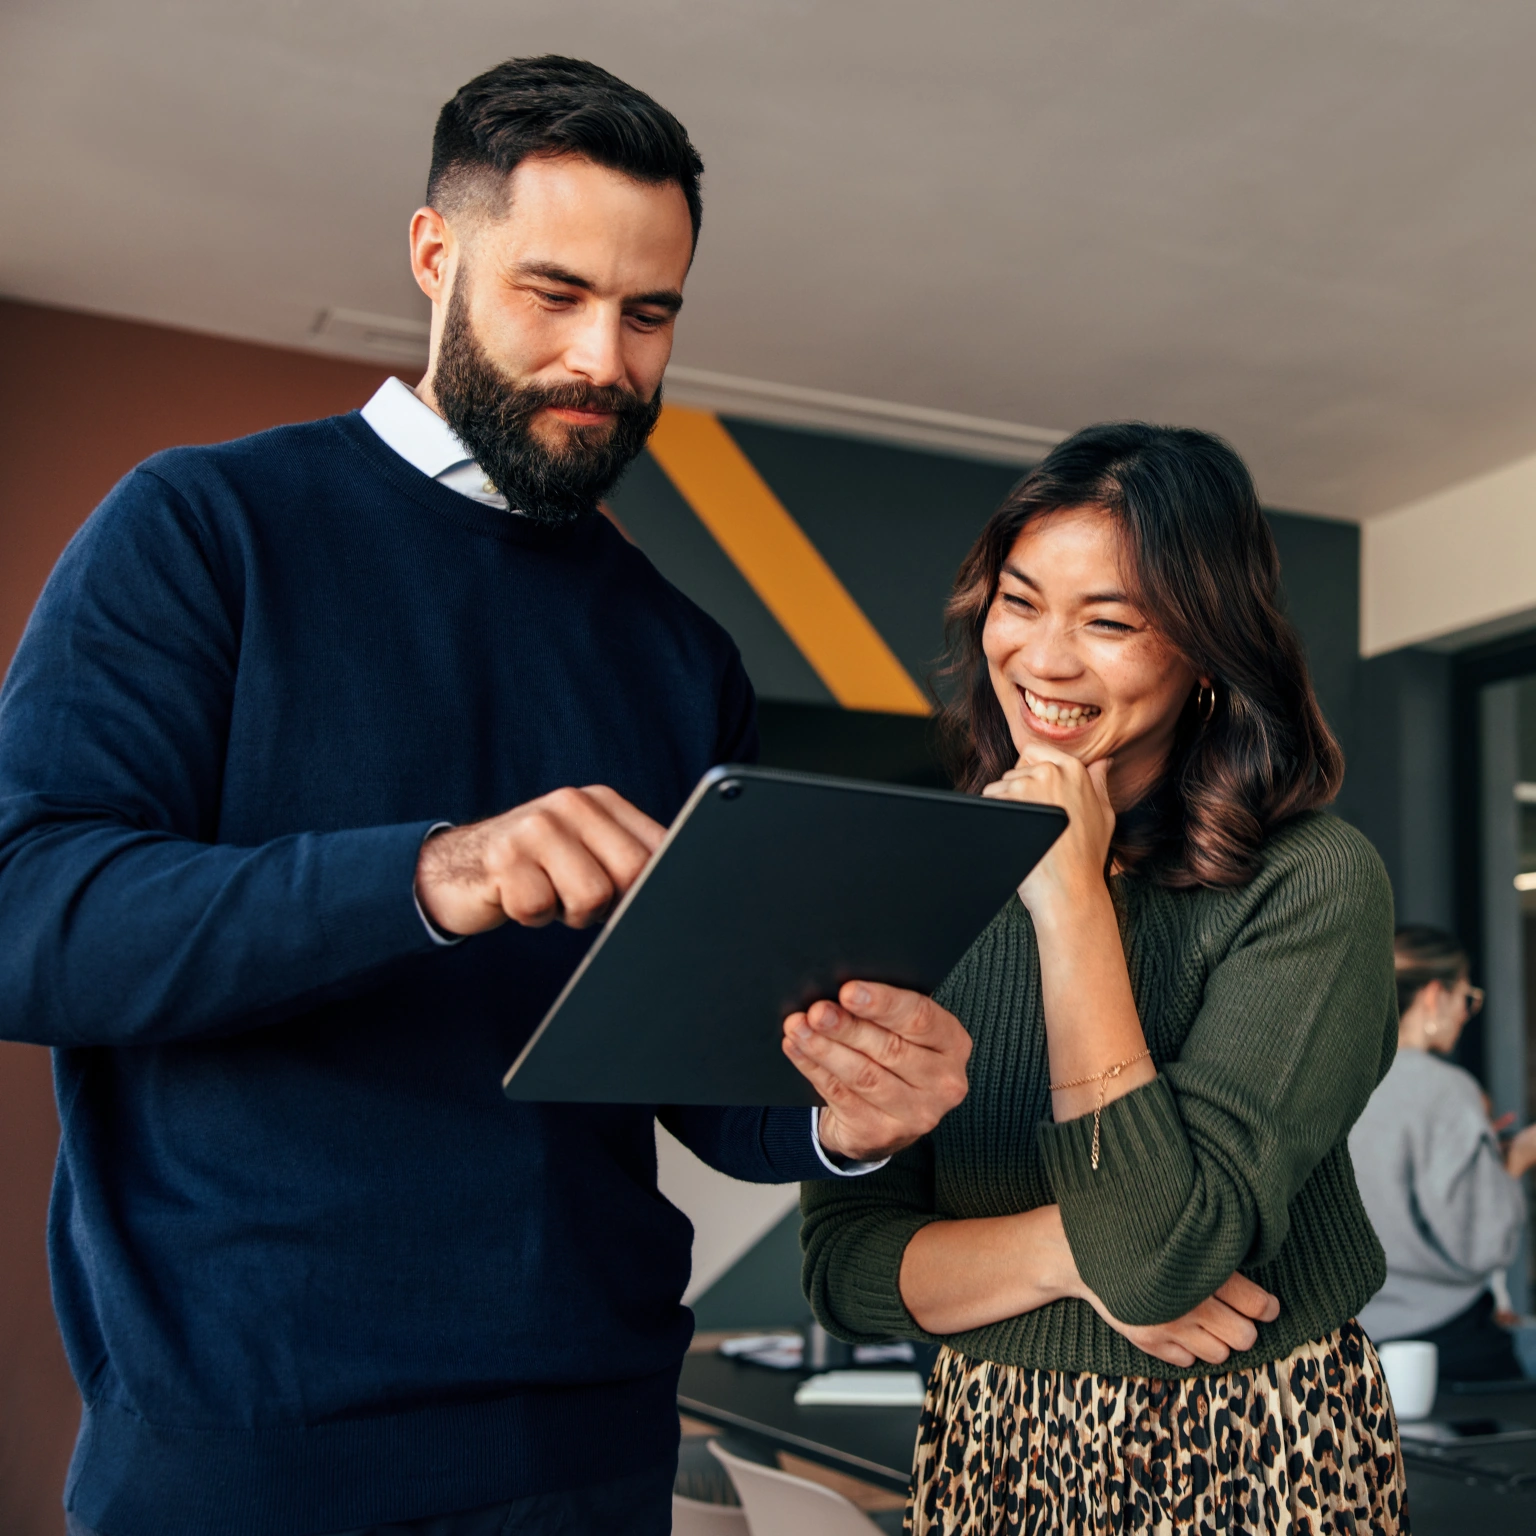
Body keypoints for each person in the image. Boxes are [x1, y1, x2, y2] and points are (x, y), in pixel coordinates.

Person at [0, 57, 970, 1536]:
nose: (604, 357)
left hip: (587, 1452)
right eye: (554, 294)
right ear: (434, 256)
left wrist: (849, 1108)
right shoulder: (203, 528)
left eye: (650, 316)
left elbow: (696, 1076)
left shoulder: (677, 649)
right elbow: (28, 921)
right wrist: (432, 874)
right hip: (249, 1453)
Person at [798, 423, 1408, 1532]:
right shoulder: (910, 882)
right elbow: (845, 1267)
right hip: (989, 1450)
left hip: (1257, 1450)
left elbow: (1159, 1260)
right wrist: (1061, 1255)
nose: (1044, 658)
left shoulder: (1311, 885)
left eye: (1111, 622)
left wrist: (1069, 895)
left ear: (1209, 652)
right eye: (1020, 601)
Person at [1349, 925, 1536, 1382]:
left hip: (1351, 1346)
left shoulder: (1337, 1081)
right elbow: (1482, 1244)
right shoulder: (1445, 1090)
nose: (1465, 1013)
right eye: (1466, 996)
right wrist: (1514, 1163)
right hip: (1447, 1346)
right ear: (1434, 995)